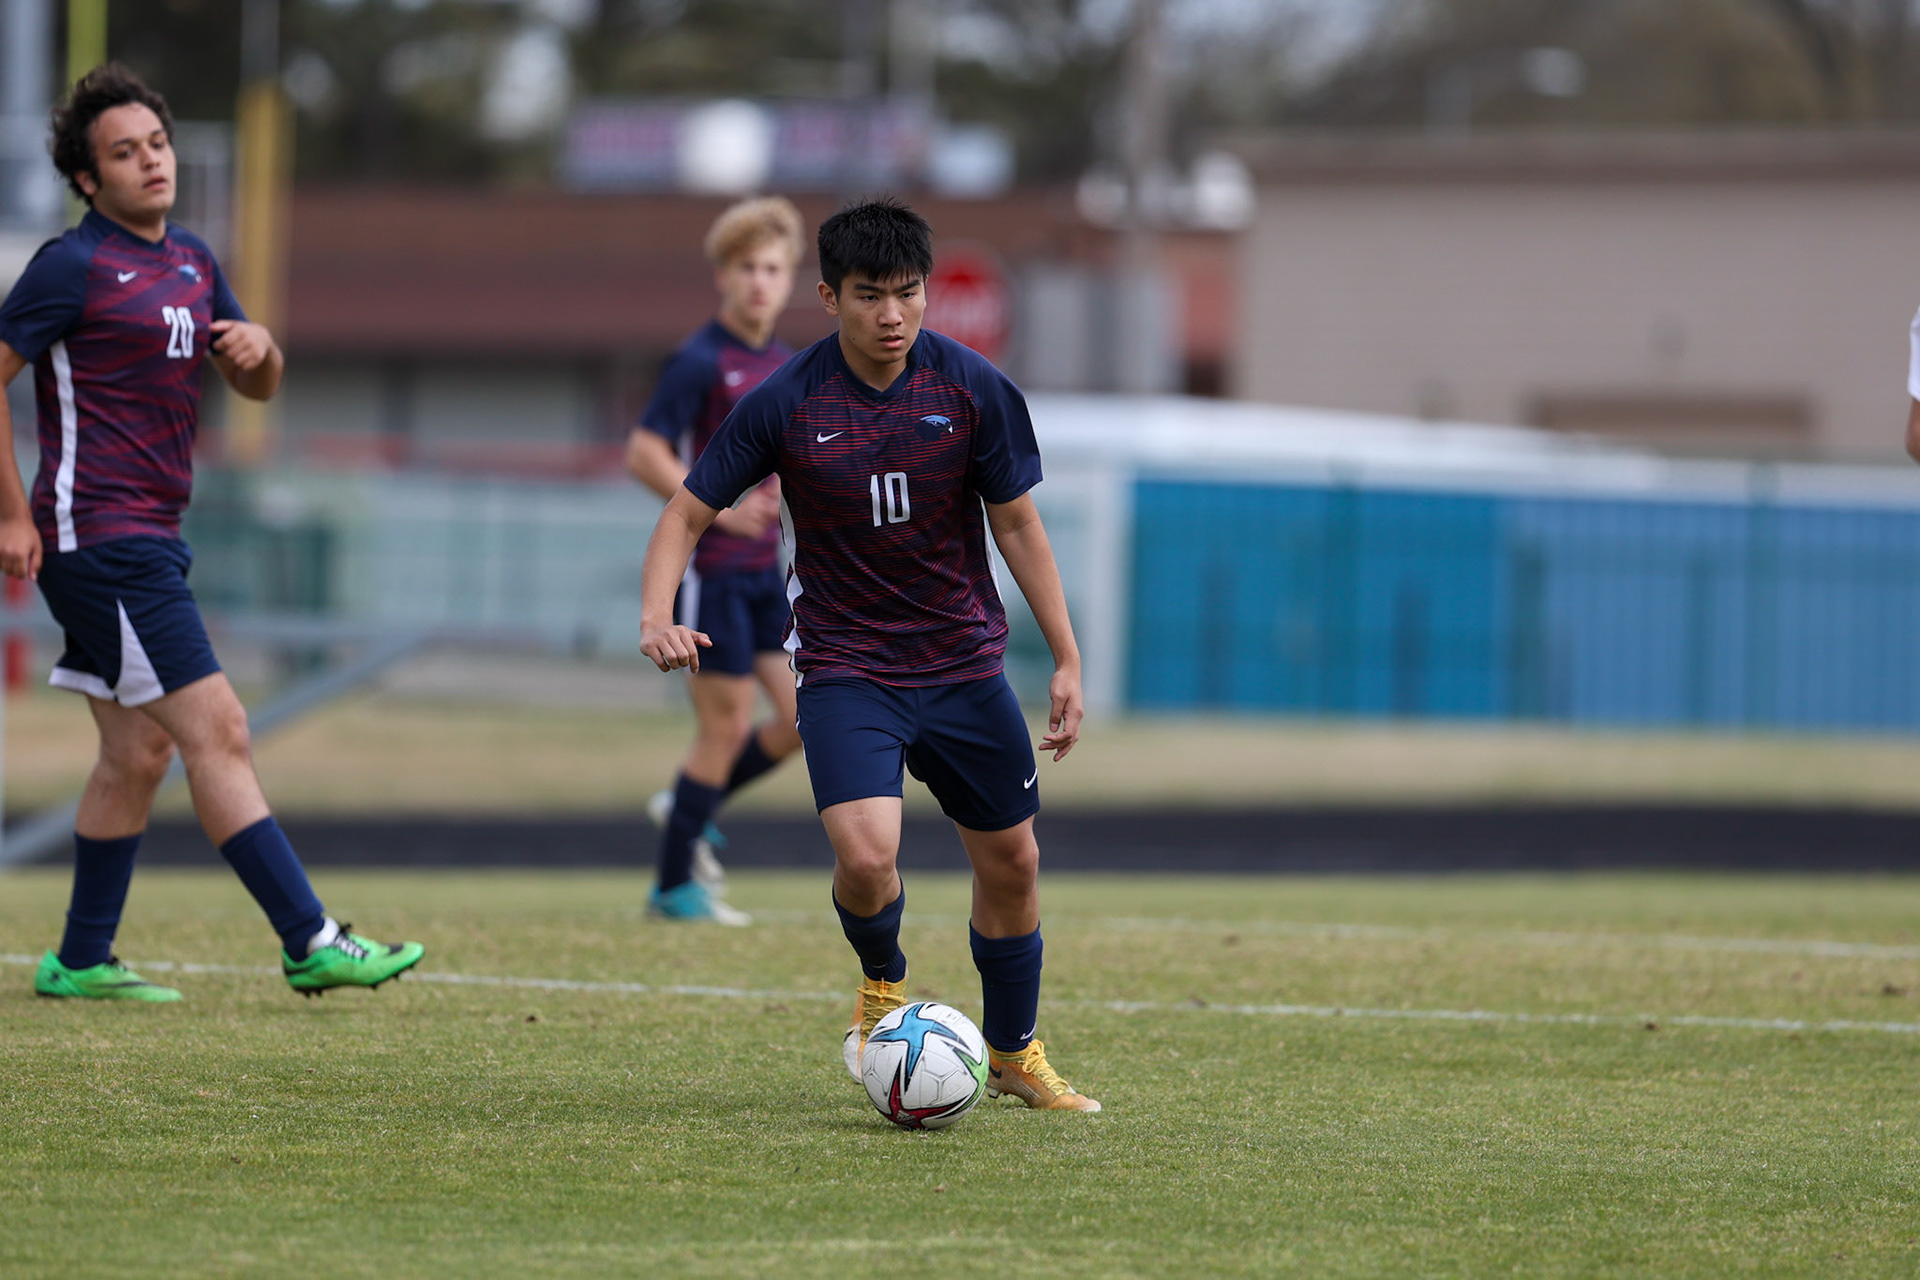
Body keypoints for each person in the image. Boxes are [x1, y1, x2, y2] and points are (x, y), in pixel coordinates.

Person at [639, 197, 1100, 1111]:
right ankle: (882, 985)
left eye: (909, 294)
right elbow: (685, 510)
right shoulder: (787, 399)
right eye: (869, 296)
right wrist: (657, 612)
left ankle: (1013, 1052)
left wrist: (1067, 659)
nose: (893, 315)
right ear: (828, 296)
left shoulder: (972, 388)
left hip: (964, 664)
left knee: (1013, 863)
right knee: (866, 852)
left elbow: (1018, 525)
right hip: (849, 666)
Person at [0, 65, 423, 1002]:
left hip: (152, 534)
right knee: (219, 729)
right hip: (99, 538)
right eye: (124, 152)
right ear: (86, 179)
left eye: (157, 143)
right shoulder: (69, 265)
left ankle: (78, 960)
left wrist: (263, 348)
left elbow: (255, 384)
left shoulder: (191, 257)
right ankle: (310, 937)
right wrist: (9, 511)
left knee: (136, 751)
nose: (151, 161)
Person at [625, 197, 807, 925]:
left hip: (767, 575)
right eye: (746, 268)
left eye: (773, 268)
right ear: (723, 277)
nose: (760, 282)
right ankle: (673, 885)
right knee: (724, 727)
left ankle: (692, 802)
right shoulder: (701, 359)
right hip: (713, 575)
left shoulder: (787, 364)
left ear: (791, 279)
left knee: (803, 719)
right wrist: (722, 511)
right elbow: (645, 451)